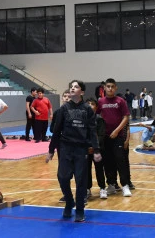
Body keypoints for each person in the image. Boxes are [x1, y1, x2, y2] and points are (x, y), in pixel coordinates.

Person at [46, 81, 101, 223]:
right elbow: (56, 131)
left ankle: (80, 210)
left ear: (82, 92)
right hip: (65, 148)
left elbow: (92, 131)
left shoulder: (87, 109)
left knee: (81, 180)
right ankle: (70, 201)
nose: (72, 88)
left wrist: (96, 150)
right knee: (62, 177)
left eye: (76, 87)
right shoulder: (63, 109)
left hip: (81, 149)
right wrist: (51, 150)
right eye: (71, 86)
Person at [97, 78, 131, 197]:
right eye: (108, 86)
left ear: (115, 88)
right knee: (107, 161)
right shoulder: (101, 102)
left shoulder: (121, 101)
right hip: (105, 137)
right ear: (104, 88)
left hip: (118, 136)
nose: (110, 88)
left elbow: (126, 117)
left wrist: (117, 130)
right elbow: (96, 116)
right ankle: (111, 184)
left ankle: (125, 185)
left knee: (120, 160)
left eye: (112, 86)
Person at [85, 97, 107, 200]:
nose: (90, 105)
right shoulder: (82, 119)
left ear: (96, 107)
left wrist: (94, 147)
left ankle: (102, 188)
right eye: (88, 103)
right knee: (86, 170)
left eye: (92, 104)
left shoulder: (99, 119)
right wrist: (86, 146)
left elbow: (101, 135)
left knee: (99, 169)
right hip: (85, 149)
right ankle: (87, 189)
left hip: (97, 149)